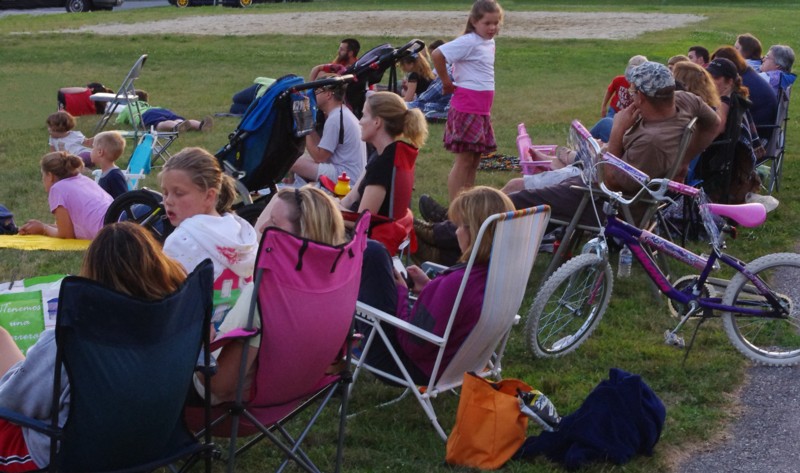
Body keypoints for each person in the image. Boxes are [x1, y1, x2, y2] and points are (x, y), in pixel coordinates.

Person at [415, 62, 720, 265]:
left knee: (515, 200)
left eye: (632, 92)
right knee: (518, 185)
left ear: (641, 96)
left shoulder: (652, 141)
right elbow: (713, 122)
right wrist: (688, 156)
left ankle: (443, 238)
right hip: (601, 187)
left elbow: (612, 180)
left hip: (607, 203)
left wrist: (616, 133)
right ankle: (452, 228)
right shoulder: (683, 102)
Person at [0, 222, 187, 472]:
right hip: (151, 441)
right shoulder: (178, 324)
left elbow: (12, 403)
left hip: (64, 455)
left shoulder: (70, 339)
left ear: (92, 274)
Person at [200, 186, 347, 405]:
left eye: (275, 224)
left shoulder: (263, 295)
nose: (263, 228)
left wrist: (198, 343)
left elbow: (218, 386)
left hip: (224, 399)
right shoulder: (335, 286)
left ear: (301, 235)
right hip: (292, 394)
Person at [357, 186, 513, 385]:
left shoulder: (455, 284)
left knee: (374, 253)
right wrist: (430, 288)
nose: (456, 233)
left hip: (410, 366)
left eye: (459, 226)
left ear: (473, 232)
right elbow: (457, 311)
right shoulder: (500, 276)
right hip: (464, 363)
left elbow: (413, 344)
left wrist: (402, 293)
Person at [160, 147, 258, 328]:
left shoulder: (182, 240)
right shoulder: (239, 230)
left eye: (179, 193)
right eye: (165, 193)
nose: (169, 201)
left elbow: (167, 302)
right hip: (240, 335)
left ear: (209, 196)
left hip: (198, 343)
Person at [432, 0, 504, 201]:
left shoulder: (488, 42)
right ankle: (456, 208)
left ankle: (467, 202)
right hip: (467, 108)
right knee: (464, 160)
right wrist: (447, 83)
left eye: (496, 23)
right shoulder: (469, 41)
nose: (492, 28)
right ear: (474, 21)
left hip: (481, 109)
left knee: (475, 160)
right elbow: (438, 54)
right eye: (487, 23)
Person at [340, 91, 428, 218]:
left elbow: (362, 223)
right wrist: (331, 204)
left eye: (364, 115)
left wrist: (331, 212)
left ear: (377, 122)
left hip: (368, 235)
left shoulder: (382, 165)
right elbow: (350, 199)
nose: (360, 122)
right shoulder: (385, 154)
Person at [287, 76, 367, 186]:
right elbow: (322, 149)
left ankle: (300, 197)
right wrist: (309, 126)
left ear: (328, 94)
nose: (314, 94)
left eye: (317, 91)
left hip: (346, 177)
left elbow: (319, 157)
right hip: (350, 174)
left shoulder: (335, 119)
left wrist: (305, 125)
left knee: (292, 162)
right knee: (299, 159)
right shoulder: (341, 113)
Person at [19, 151, 113, 240]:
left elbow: (66, 235)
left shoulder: (57, 189)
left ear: (50, 176)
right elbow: (69, 227)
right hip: (116, 219)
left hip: (108, 233)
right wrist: (41, 225)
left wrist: (43, 228)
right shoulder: (83, 179)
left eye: (43, 175)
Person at [711, 46, 777, 129]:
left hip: (756, 130)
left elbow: (723, 118)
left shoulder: (741, 84)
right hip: (761, 126)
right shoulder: (747, 73)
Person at [116, 89, 213, 134]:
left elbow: (119, 121)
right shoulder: (148, 105)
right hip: (160, 110)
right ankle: (199, 125)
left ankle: (175, 126)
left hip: (145, 115)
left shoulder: (128, 106)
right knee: (178, 119)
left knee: (159, 123)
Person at [407, 39, 454, 122]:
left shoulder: (448, 72)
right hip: (443, 105)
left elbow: (423, 99)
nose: (433, 60)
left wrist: (399, 104)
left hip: (442, 107)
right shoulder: (453, 70)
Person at [91, 131, 128, 199]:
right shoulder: (106, 173)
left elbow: (123, 201)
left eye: (93, 148)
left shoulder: (115, 176)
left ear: (100, 152)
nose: (91, 151)